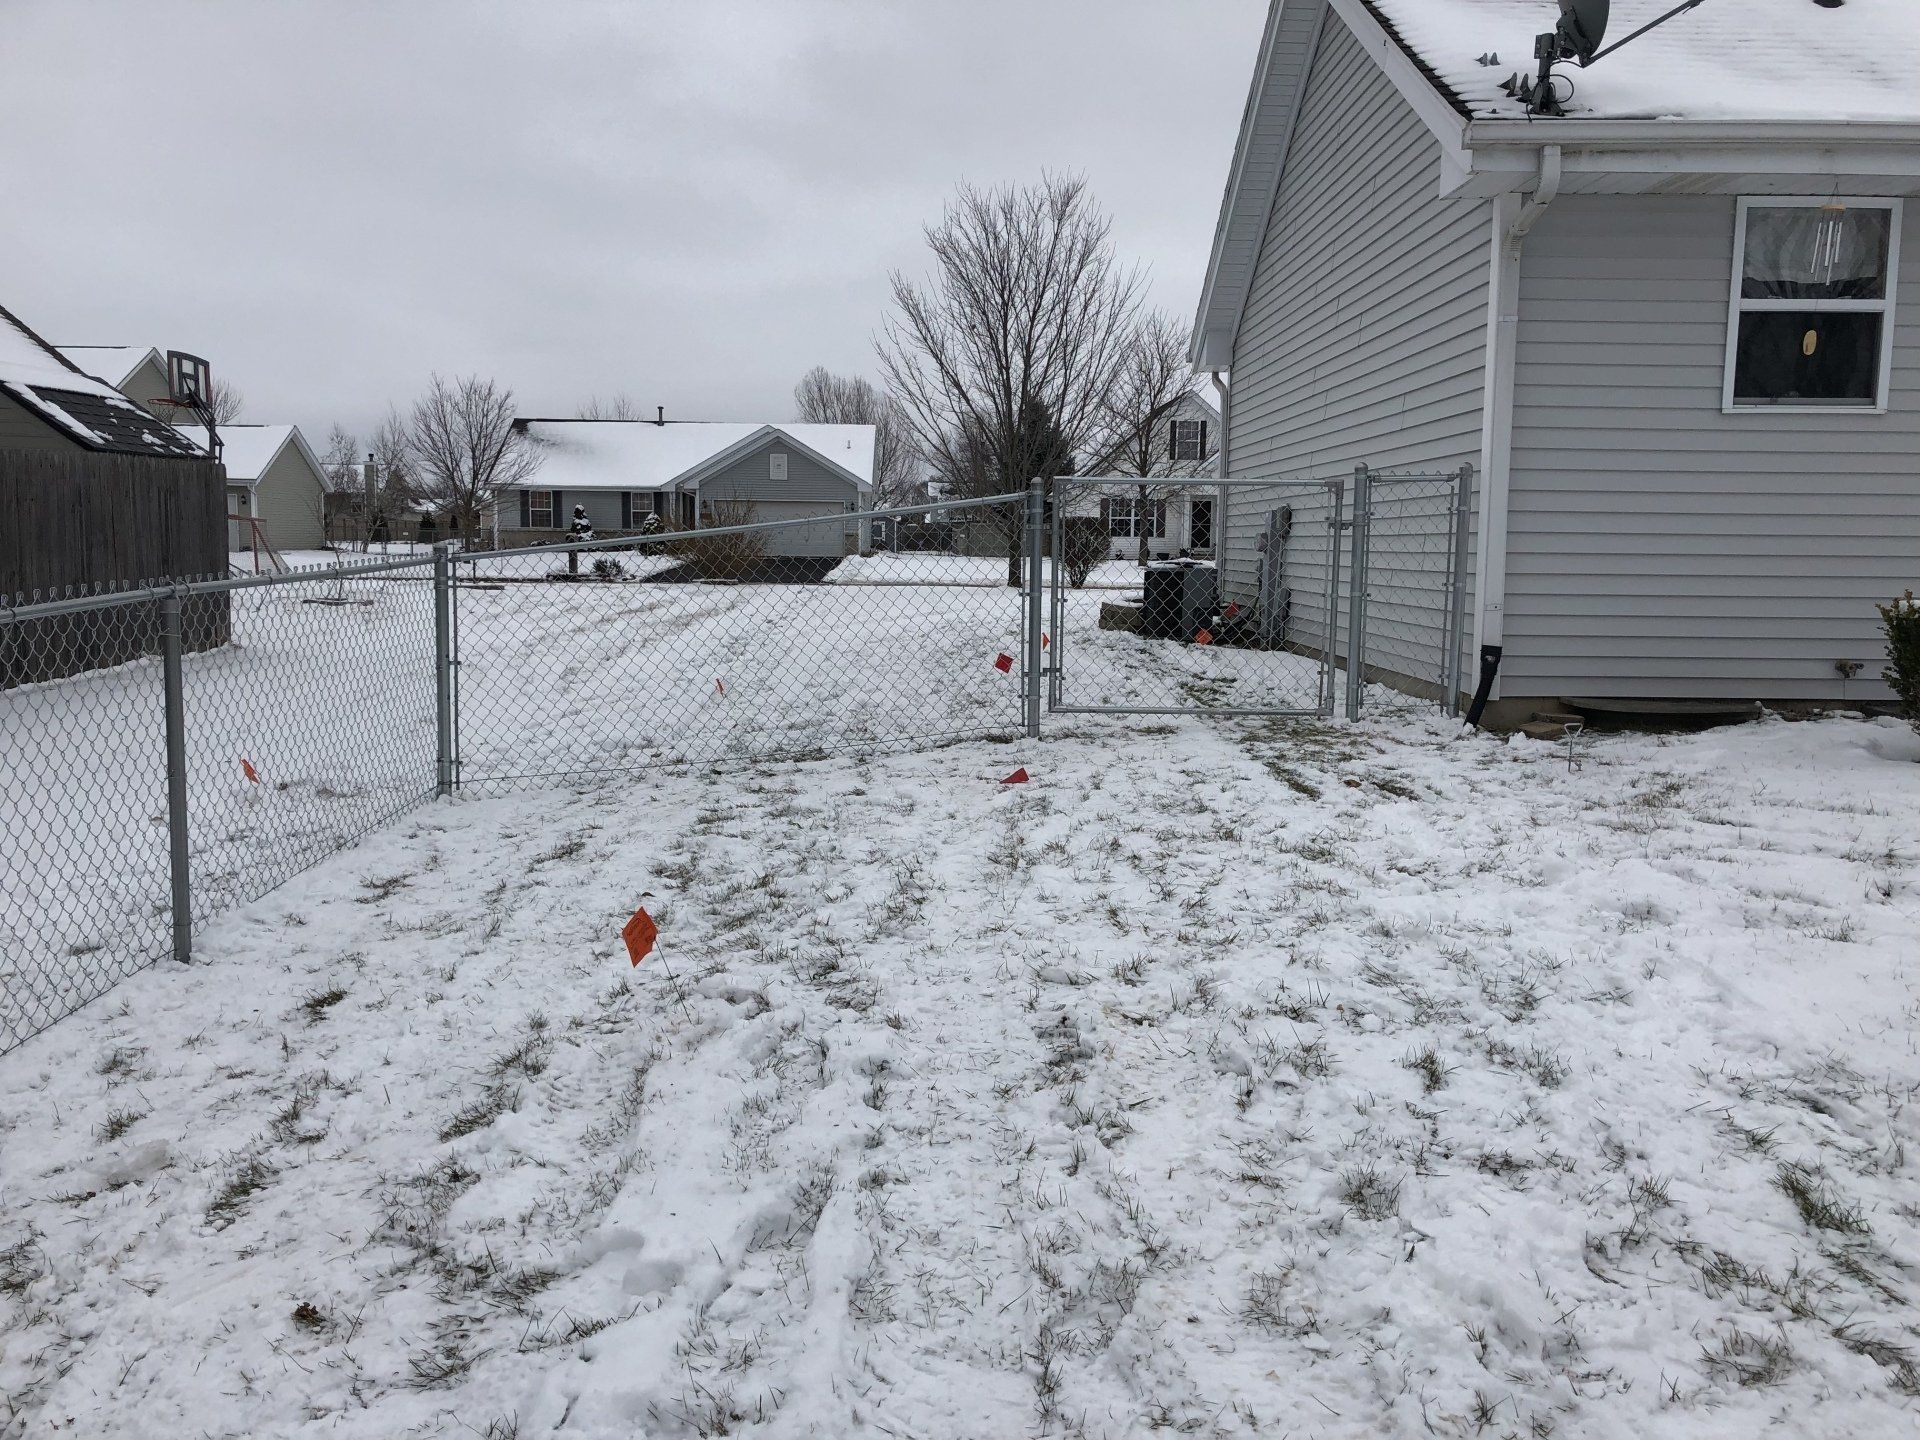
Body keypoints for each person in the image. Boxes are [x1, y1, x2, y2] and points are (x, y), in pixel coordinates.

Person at [567, 504, 594, 575]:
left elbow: (589, 528)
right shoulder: (576, 522)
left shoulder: (585, 521)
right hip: (578, 536)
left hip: (585, 536)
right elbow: (573, 529)